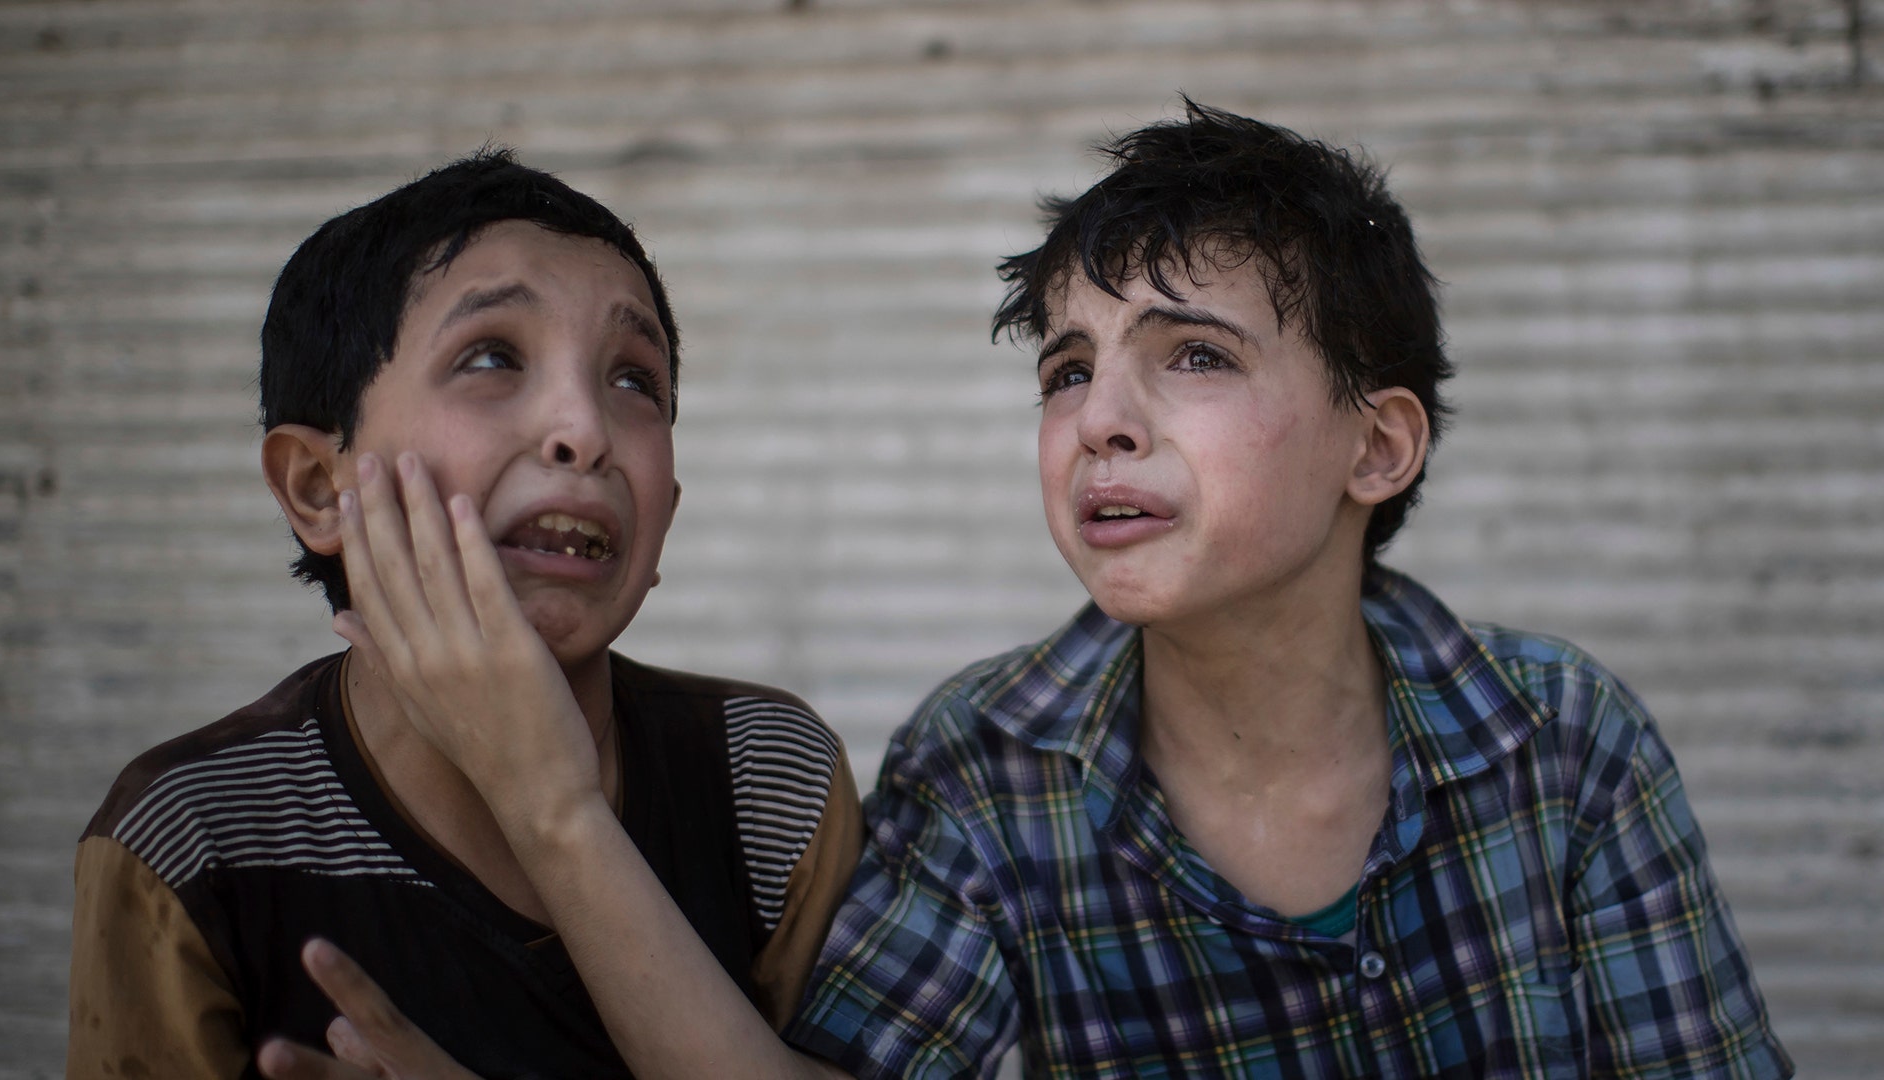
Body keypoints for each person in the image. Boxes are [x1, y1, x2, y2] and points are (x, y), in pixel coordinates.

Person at [258, 104, 1792, 1079]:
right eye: (1067, 372)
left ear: (1374, 446)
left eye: (1194, 357)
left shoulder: (1561, 742)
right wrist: (550, 799)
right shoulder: (987, 771)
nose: (1101, 420)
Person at [66, 151, 864, 1077]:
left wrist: (553, 806)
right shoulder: (190, 836)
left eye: (634, 381)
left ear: (665, 516)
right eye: (492, 358)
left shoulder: (769, 782)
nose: (585, 430)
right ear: (319, 485)